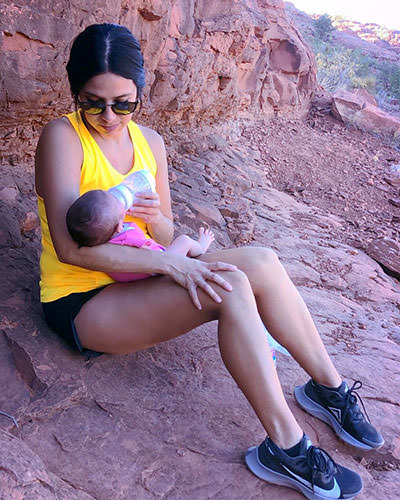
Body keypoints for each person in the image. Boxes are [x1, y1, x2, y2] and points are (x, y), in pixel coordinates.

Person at [35, 23, 383, 500]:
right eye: (93, 102)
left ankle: (328, 388)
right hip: (83, 299)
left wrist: (156, 220)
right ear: (75, 91)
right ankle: (286, 446)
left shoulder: (149, 144)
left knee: (261, 260)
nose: (109, 116)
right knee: (232, 285)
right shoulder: (62, 137)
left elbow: (164, 232)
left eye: (124, 102)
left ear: (140, 92)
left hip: (141, 271)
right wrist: (172, 266)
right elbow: (71, 247)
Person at [66, 186, 215, 281]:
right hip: (157, 270)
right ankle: (201, 248)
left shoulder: (100, 242)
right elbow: (148, 251)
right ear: (119, 226)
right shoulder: (126, 238)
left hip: (133, 281)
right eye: (120, 208)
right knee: (184, 240)